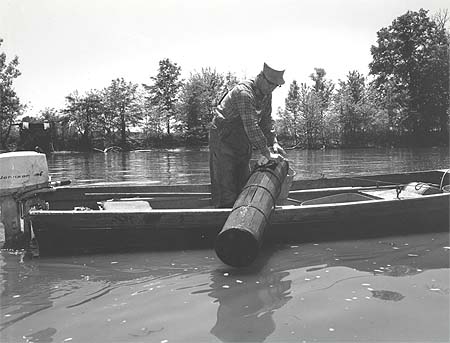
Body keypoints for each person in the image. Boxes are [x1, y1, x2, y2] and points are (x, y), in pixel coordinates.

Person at [209, 62, 287, 208]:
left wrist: (274, 142)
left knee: (243, 182)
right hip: (223, 137)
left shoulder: (266, 94)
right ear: (261, 77)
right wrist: (267, 153)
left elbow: (266, 121)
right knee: (226, 187)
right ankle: (223, 214)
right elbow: (251, 126)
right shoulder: (244, 93)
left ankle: (241, 210)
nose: (272, 88)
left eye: (275, 86)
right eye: (270, 84)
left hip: (242, 138)